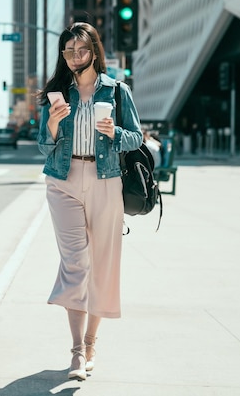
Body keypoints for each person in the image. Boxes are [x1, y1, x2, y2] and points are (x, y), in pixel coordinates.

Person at [36, 22, 142, 381]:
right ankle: (76, 353)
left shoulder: (116, 91)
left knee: (101, 264)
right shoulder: (57, 93)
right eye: (68, 51)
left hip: (105, 179)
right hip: (63, 181)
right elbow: (43, 145)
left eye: (80, 50)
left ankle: (92, 342)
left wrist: (115, 133)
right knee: (76, 262)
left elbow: (137, 138)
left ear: (94, 51)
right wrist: (52, 124)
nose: (74, 57)